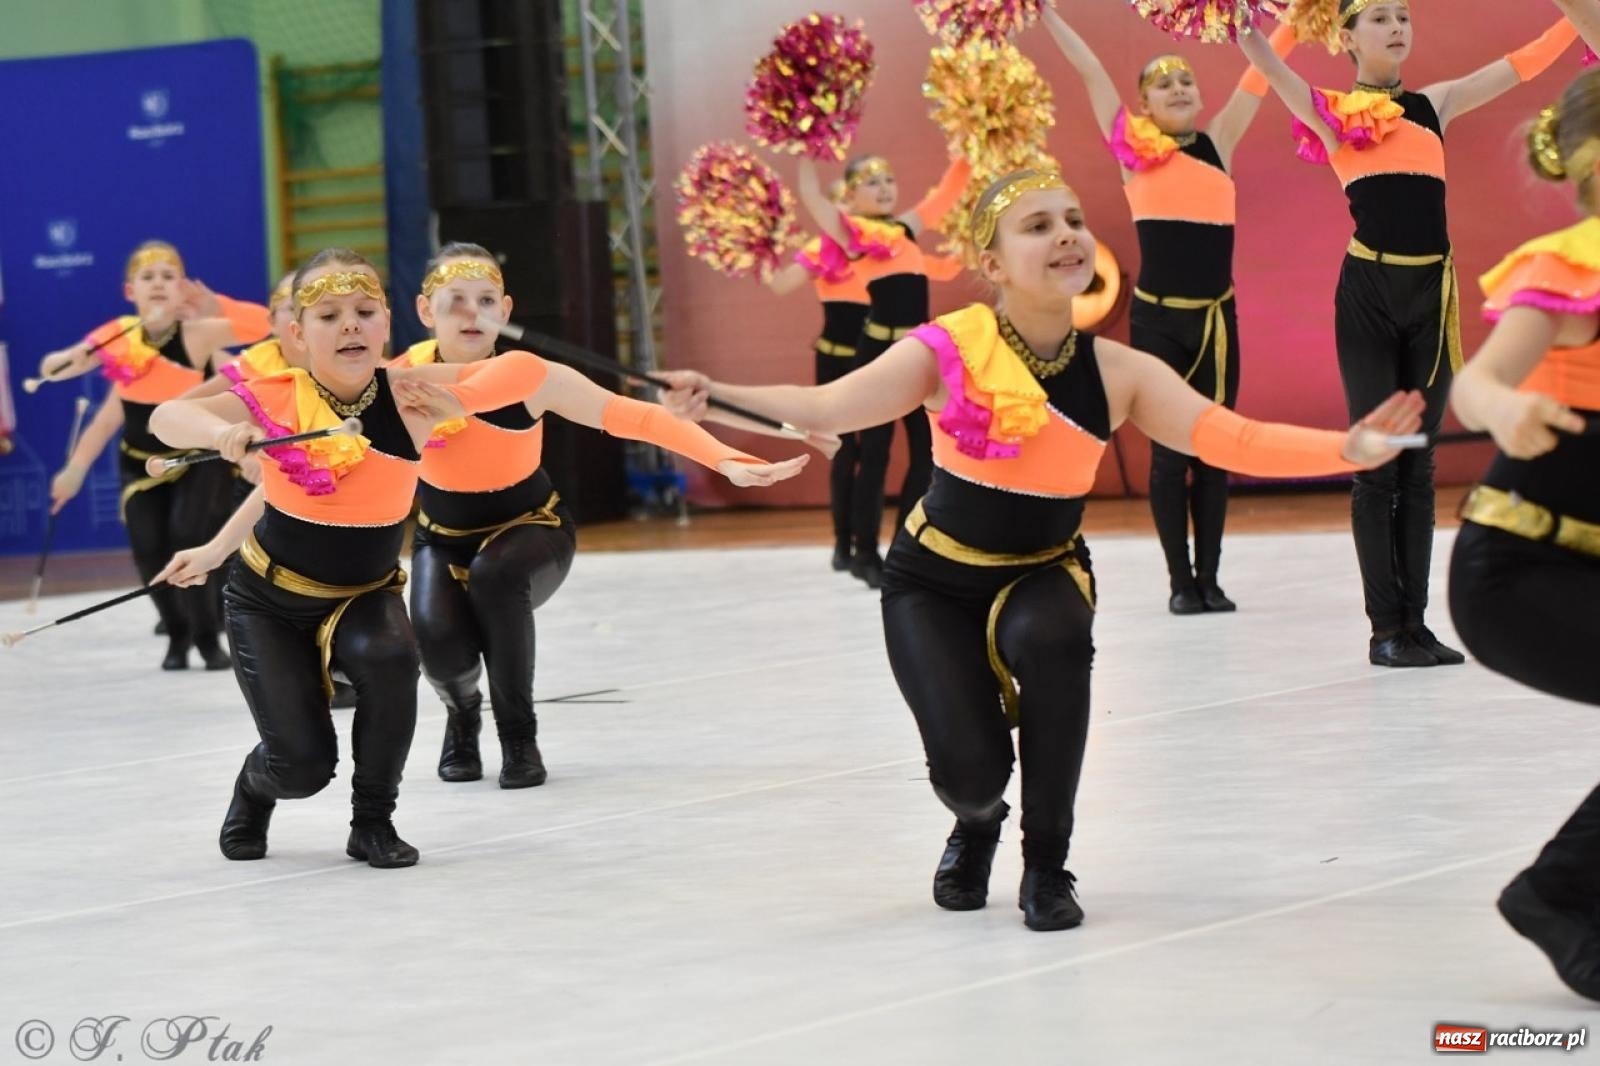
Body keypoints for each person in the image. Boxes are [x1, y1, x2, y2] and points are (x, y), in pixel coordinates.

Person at [658, 171, 1424, 930]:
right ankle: (977, 820)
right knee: (970, 772)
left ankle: (1047, 862)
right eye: (1037, 225)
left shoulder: (1119, 372)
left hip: (1044, 571)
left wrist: (1349, 448)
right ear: (991, 265)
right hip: (932, 583)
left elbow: (1235, 437)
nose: (1066, 235)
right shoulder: (945, 351)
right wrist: (716, 393)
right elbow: (825, 405)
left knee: (1054, 640)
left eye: (1073, 219)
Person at [148, 248, 804, 868]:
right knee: (302, 767)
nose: (350, 327)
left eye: (365, 313)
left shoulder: (414, 394)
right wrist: (222, 435)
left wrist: (723, 456)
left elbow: (612, 411)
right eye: (328, 317)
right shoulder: (277, 398)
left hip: (367, 591)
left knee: (395, 659)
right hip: (268, 598)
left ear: (388, 323)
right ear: (296, 334)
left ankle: (373, 821)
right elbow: (167, 421)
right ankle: (256, 789)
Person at [1240, 1, 1578, 665]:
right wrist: (1234, 16)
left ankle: (1416, 625)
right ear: (1346, 37)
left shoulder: (1436, 103)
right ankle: (1385, 629)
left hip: (1432, 293)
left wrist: (1581, 15)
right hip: (1369, 294)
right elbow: (1264, 61)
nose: (1397, 27)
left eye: (1404, 16)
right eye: (1380, 18)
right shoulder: (1330, 110)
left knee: (1418, 463)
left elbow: (1524, 63)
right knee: (1379, 462)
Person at [401, 243, 810, 788]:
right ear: (426, 311)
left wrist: (723, 458)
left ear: (507, 308)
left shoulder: (533, 376)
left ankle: (519, 736)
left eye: (486, 300)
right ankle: (462, 713)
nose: (473, 314)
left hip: (531, 528)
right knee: (440, 652)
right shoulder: (399, 379)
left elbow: (633, 416)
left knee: (496, 578)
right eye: (455, 302)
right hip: (442, 537)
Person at [1039, 8, 1296, 613]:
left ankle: (1211, 579)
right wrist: (1047, 11)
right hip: (1160, 323)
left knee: (1216, 448)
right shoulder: (1132, 151)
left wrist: (1292, 18)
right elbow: (1090, 70)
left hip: (1216, 321)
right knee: (1169, 454)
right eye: (1162, 83)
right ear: (1144, 106)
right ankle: (1180, 583)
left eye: (1186, 80)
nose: (1178, 88)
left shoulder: (1219, 142)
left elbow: (1259, 75)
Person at [1446, 73, 1600, 1001]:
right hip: (1518, 567)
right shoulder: (1579, 264)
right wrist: (1503, 409)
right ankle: (1559, 893)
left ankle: (1568, 891)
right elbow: (1475, 384)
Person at [37, 241, 271, 669]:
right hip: (140, 463)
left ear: (182, 287)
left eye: (169, 276)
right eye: (148, 277)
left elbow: (264, 326)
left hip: (196, 460)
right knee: (148, 547)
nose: (159, 284)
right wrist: (68, 361)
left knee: (188, 534)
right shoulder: (118, 339)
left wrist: (213, 303)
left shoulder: (198, 335)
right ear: (130, 291)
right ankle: (177, 635)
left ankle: (206, 637)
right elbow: (66, 381)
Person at [794, 151, 971, 587]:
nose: (885, 188)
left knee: (927, 457)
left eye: (889, 178)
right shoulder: (854, 236)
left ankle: (904, 546)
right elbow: (814, 198)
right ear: (852, 195)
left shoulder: (906, 229)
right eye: (873, 182)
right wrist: (804, 147)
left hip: (919, 351)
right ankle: (863, 552)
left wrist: (972, 142)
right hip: (878, 353)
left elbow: (947, 192)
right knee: (874, 456)